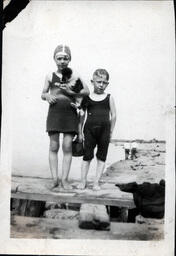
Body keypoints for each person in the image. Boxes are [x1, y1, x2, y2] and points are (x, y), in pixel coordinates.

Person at [41, 44, 89, 190]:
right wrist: (48, 95)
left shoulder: (75, 76)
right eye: (59, 58)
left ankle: (65, 180)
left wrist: (71, 92)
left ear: (69, 59)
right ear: (54, 59)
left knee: (67, 146)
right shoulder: (50, 75)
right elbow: (43, 93)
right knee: (53, 145)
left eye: (65, 58)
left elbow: (86, 92)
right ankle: (54, 179)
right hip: (55, 113)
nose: (62, 61)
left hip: (70, 114)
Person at [77, 69, 116, 190]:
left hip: (104, 131)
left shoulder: (109, 97)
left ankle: (96, 182)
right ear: (92, 82)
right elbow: (81, 117)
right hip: (89, 130)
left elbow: (113, 115)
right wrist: (79, 133)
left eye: (104, 82)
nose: (101, 85)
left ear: (107, 84)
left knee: (101, 156)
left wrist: (110, 132)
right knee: (87, 156)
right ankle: (83, 181)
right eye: (98, 82)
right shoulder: (87, 97)